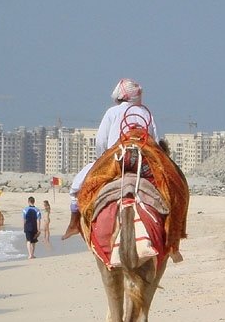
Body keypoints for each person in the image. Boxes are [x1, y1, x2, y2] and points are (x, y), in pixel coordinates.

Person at [62, 78, 159, 240]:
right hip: (143, 163)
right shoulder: (146, 113)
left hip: (115, 161)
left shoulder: (112, 113)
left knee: (77, 187)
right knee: (171, 189)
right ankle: (173, 238)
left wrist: (102, 158)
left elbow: (101, 141)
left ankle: (74, 223)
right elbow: (155, 140)